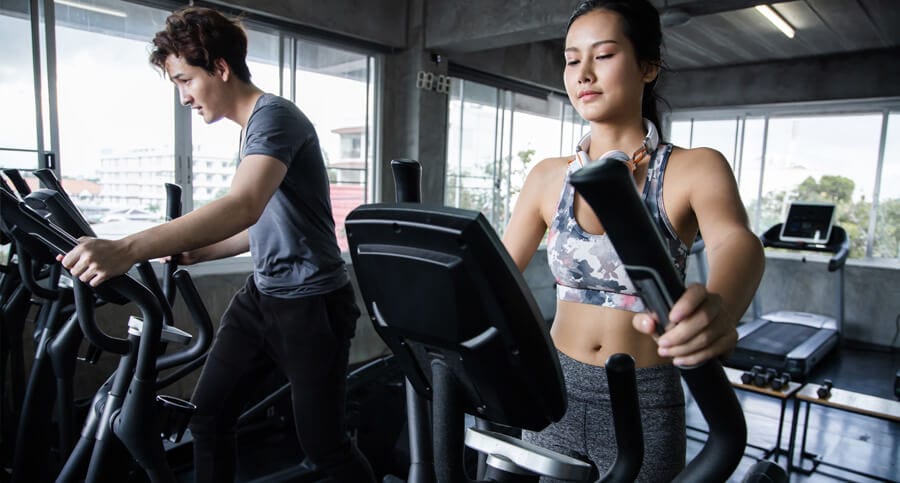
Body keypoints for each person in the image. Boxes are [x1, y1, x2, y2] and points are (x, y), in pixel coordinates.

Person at [57, 7, 376, 482]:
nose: (184, 97)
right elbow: (260, 225)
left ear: (220, 68)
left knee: (324, 446)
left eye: (186, 80)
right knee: (208, 418)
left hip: (312, 305)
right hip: (263, 296)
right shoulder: (253, 129)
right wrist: (197, 252)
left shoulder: (275, 118)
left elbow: (243, 204)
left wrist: (126, 248)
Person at [501, 0, 765, 481]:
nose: (583, 73)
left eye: (602, 55)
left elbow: (736, 240)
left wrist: (722, 306)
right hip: (554, 387)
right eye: (571, 57)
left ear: (648, 66)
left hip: (643, 400)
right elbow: (494, 276)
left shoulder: (693, 167)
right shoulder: (546, 177)